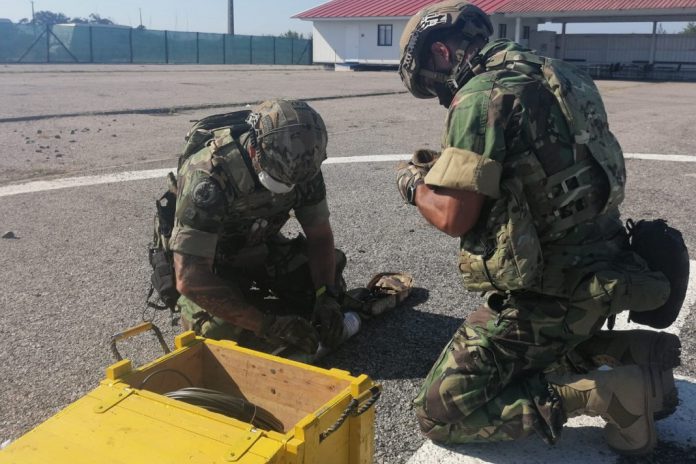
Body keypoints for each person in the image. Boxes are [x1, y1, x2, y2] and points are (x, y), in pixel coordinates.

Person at [396, 0, 681, 456]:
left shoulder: (480, 96)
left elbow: (454, 217)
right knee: (536, 352)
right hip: (608, 269)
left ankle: (605, 394)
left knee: (438, 413)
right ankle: (639, 355)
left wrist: (413, 185)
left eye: (431, 86)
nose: (441, 96)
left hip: (552, 291)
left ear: (441, 55)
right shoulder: (564, 75)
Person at [170, 98, 346, 358]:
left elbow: (319, 236)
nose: (286, 188)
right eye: (275, 181)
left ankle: (258, 303)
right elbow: (190, 278)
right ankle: (243, 310)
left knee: (329, 286)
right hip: (211, 263)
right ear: (254, 150)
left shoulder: (304, 167)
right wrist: (267, 326)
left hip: (260, 246)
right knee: (217, 334)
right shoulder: (209, 177)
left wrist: (326, 295)